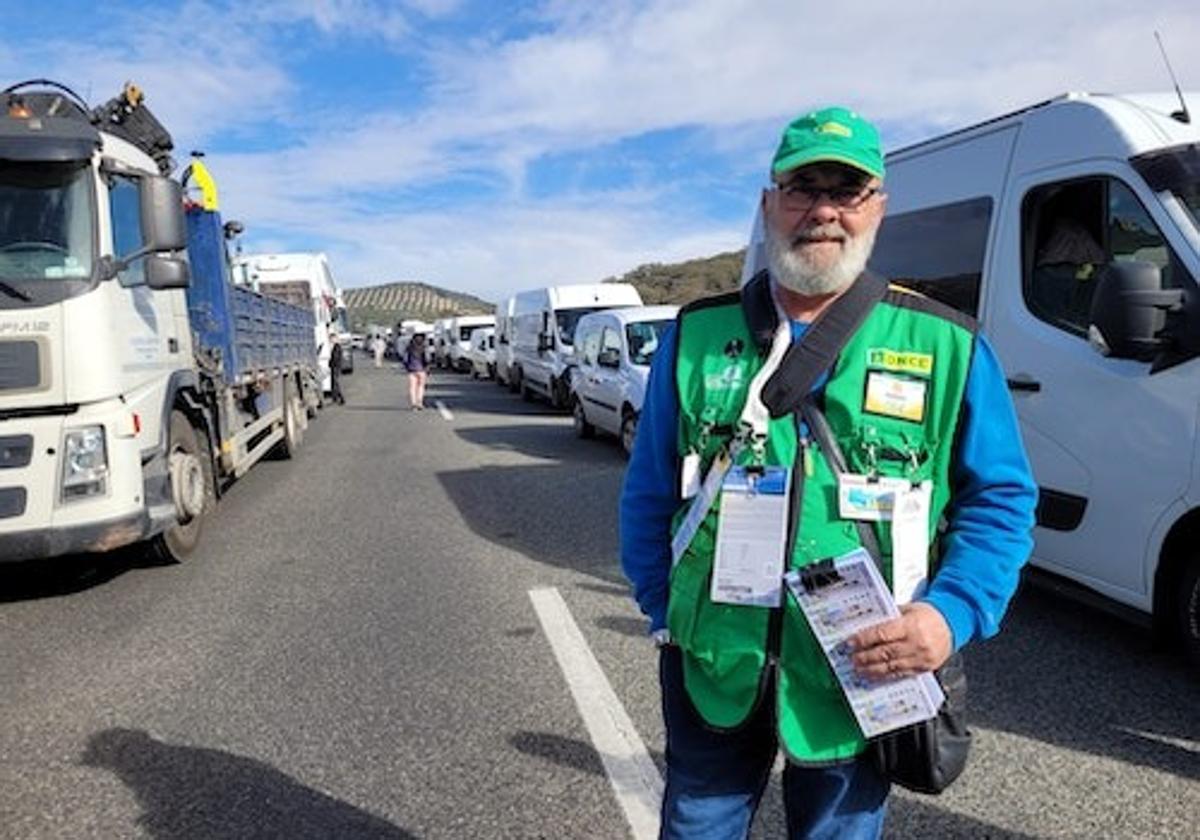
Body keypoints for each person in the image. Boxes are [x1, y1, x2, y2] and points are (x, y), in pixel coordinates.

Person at [620, 107, 1037, 839]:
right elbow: (649, 490)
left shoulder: (947, 345)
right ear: (767, 204)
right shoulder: (697, 335)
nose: (823, 211)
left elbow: (1000, 501)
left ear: (878, 207)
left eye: (846, 191)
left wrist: (949, 616)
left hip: (863, 674)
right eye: (801, 188)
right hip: (714, 662)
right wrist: (666, 612)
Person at [404, 333, 429, 410]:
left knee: (412, 387)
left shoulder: (409, 348)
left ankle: (413, 403)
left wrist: (407, 367)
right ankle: (420, 403)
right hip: (421, 369)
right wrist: (427, 367)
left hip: (411, 369)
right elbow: (427, 358)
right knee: (421, 387)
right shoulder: (424, 348)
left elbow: (405, 359)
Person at [327, 333, 346, 405]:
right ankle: (335, 398)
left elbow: (335, 358)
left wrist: (331, 363)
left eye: (331, 339)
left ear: (334, 338)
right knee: (334, 383)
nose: (330, 340)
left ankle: (341, 398)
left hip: (335, 367)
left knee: (335, 383)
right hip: (335, 367)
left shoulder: (337, 347)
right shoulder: (336, 346)